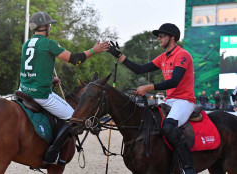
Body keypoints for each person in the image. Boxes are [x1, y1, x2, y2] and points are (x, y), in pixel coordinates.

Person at [19, 11, 109, 165]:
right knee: (74, 118)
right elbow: (75, 59)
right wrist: (94, 50)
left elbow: (32, 69)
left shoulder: (26, 44)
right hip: (40, 94)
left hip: (23, 90)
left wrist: (49, 78)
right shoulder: (48, 43)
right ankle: (52, 153)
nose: (50, 28)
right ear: (45, 27)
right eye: (50, 25)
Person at [108, 23, 196, 174]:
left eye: (162, 36)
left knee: (168, 126)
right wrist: (119, 56)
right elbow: (139, 69)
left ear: (172, 38)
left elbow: (174, 81)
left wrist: (147, 87)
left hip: (184, 101)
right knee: (148, 123)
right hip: (169, 101)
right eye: (158, 36)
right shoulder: (163, 57)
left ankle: (187, 168)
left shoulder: (183, 55)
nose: (159, 39)